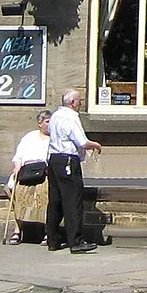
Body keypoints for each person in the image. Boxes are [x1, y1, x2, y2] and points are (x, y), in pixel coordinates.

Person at [45, 89, 103, 253]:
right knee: (72, 201)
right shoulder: (71, 117)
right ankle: (76, 241)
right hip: (68, 160)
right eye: (79, 101)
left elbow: (50, 132)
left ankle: (53, 240)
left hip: (54, 159)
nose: (81, 104)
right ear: (72, 102)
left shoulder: (55, 115)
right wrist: (96, 145)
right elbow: (82, 142)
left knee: (55, 201)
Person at [4, 112, 51, 245]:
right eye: (47, 121)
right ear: (40, 123)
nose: (50, 124)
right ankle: (18, 230)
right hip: (27, 170)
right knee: (16, 192)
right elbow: (19, 155)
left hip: (44, 172)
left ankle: (48, 232)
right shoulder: (30, 137)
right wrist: (17, 167)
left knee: (46, 195)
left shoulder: (55, 138)